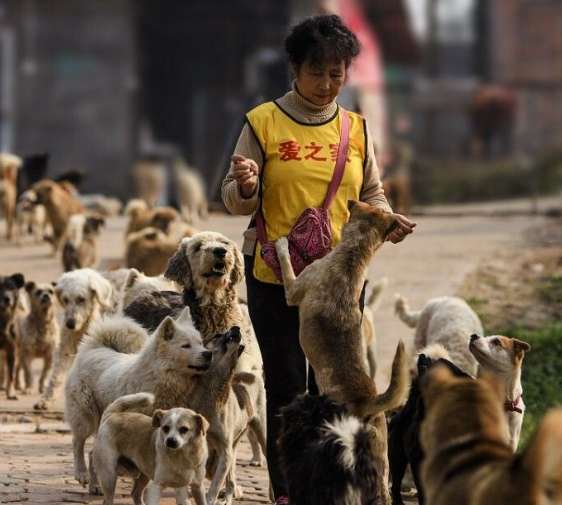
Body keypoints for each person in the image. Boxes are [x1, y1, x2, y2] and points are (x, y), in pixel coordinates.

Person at [221, 14, 416, 505]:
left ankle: (333, 483)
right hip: (274, 272)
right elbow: (233, 199)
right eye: (316, 71)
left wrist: (389, 220)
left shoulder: (356, 129)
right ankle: (290, 491)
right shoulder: (262, 122)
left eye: (337, 72)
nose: (327, 83)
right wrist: (246, 186)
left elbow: (372, 192)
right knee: (286, 381)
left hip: (341, 279)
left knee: (339, 385)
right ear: (294, 67)